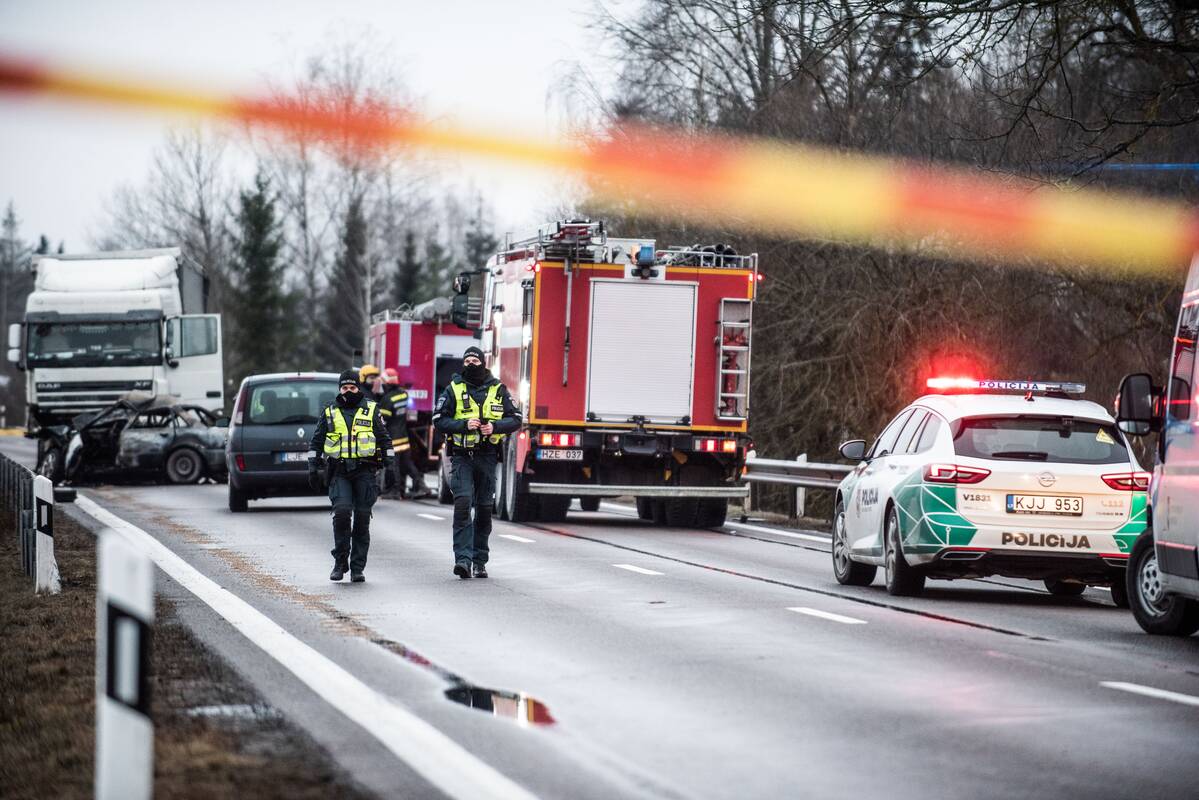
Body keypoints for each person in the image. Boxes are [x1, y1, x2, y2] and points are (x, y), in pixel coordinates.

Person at [432, 346, 521, 579]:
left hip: (487, 457)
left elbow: (516, 419)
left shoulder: (498, 389)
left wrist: (495, 427)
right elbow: (438, 419)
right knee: (463, 505)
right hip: (462, 457)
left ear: (483, 362)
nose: (471, 364)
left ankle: (480, 561)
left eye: (475, 360)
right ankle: (463, 560)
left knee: (483, 510)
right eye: (467, 360)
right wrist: (463, 425)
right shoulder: (453, 389)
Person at [307, 370, 395, 583]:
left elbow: (385, 440)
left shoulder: (371, 409)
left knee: (362, 519)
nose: (348, 391)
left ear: (358, 388)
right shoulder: (330, 411)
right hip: (339, 472)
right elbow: (317, 441)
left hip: (365, 471)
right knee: (342, 513)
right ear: (340, 389)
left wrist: (390, 467)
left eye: (352, 387)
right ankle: (340, 562)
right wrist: (312, 467)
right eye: (344, 388)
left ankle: (357, 568)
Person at [379, 368, 433, 500]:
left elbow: (383, 420)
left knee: (394, 465)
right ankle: (422, 487)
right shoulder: (403, 394)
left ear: (386, 383)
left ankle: (395, 491)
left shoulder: (386, 399)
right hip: (404, 436)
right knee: (408, 465)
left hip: (393, 438)